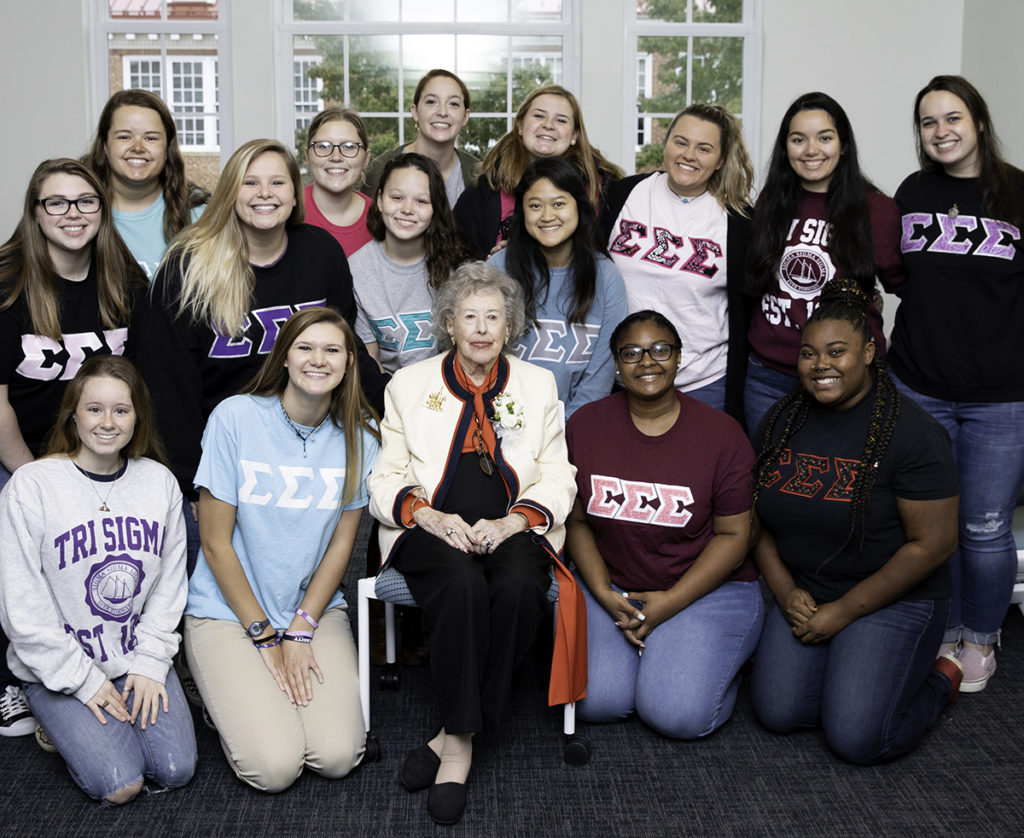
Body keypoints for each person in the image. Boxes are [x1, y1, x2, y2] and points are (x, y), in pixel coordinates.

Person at [367, 261, 584, 825]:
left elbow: (559, 476)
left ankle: (447, 733)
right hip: (431, 528)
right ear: (449, 323)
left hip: (511, 526)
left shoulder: (537, 385)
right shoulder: (408, 385)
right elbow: (383, 479)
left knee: (517, 585)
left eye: (494, 317)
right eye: (470, 317)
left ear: (509, 327)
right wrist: (434, 517)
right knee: (461, 583)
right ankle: (463, 744)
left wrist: (515, 523)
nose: (483, 328)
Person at [133, 139, 386, 569]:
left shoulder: (320, 253)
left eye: (277, 182)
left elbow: (349, 352)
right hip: (221, 453)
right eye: (250, 182)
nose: (264, 193)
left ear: (294, 194)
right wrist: (195, 483)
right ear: (230, 191)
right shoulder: (187, 265)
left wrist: (396, 413)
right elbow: (165, 388)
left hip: (309, 440)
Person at [748, 279, 962, 765]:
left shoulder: (912, 433)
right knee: (779, 712)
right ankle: (853, 673)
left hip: (893, 596)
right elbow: (755, 517)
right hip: (806, 589)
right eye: (808, 353)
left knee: (858, 738)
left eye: (837, 351)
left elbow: (933, 544)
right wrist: (783, 591)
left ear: (868, 351)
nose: (820, 365)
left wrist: (842, 613)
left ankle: (938, 680)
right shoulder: (782, 420)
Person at [184, 307, 379, 793]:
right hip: (228, 612)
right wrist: (266, 637)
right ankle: (212, 685)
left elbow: (341, 546)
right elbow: (214, 541)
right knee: (275, 768)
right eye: (305, 348)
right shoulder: (236, 417)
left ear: (350, 362)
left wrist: (301, 629)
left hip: (309, 611)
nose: (319, 360)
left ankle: (261, 695)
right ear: (284, 358)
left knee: (336, 756)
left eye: (332, 350)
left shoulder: (361, 438)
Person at [0, 355, 195, 802]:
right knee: (120, 785)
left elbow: (169, 589)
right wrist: (84, 681)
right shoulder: (32, 485)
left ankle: (97, 722)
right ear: (73, 414)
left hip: (133, 657)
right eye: (94, 409)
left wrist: (150, 663)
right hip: (60, 664)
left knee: (175, 769)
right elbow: (21, 608)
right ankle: (52, 715)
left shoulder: (160, 483)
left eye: (121, 410)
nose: (107, 422)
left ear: (137, 416)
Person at [886, 75, 1024, 691]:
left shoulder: (1018, 191)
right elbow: (898, 277)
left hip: (1002, 396)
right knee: (930, 523)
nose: (940, 132)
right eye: (928, 122)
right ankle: (942, 627)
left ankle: (980, 638)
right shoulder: (912, 191)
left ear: (978, 123)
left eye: (952, 119)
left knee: (985, 526)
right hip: (919, 385)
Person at [564, 310, 761, 738]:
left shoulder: (722, 435)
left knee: (676, 715)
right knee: (594, 701)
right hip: (615, 585)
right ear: (616, 364)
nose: (647, 361)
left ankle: (706, 661)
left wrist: (668, 604)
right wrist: (599, 589)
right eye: (631, 353)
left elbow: (734, 536)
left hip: (703, 588)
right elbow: (576, 523)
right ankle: (657, 654)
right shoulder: (585, 426)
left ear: (678, 357)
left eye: (660, 350)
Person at [0, 159, 146, 735]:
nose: (72, 214)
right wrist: (39, 478)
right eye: (56, 203)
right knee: (17, 547)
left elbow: (141, 382)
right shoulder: (8, 284)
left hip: (103, 447)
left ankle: (123, 655)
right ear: (35, 214)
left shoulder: (124, 279)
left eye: (85, 201)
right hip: (21, 450)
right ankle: (11, 681)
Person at [744, 92, 905, 432]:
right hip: (769, 375)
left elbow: (903, 283)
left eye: (825, 138)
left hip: (846, 377)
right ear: (785, 147)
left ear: (843, 145)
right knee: (769, 480)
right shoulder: (769, 203)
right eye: (798, 139)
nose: (811, 150)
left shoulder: (877, 210)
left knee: (842, 482)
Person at [602, 104, 754, 421]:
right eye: (681, 142)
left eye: (704, 148)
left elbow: (748, 310)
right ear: (666, 143)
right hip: (620, 378)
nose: (689, 155)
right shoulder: (624, 194)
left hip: (702, 384)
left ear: (721, 159)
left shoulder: (739, 222)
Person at [490, 156, 626, 417]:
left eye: (559, 204)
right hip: (500, 422)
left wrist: (565, 430)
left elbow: (600, 375)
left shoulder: (606, 276)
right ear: (522, 212)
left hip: (578, 425)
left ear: (579, 207)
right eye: (535, 205)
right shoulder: (498, 269)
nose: (547, 216)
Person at [454, 84, 623, 259]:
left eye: (561, 120)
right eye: (539, 115)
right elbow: (457, 259)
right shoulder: (486, 187)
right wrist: (492, 266)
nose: (548, 125)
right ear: (520, 125)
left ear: (574, 136)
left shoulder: (604, 190)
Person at [350, 152, 474, 374]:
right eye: (396, 198)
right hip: (386, 394)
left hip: (449, 390)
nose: (407, 209)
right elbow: (370, 360)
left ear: (435, 207)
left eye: (421, 201)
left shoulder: (456, 266)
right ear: (379, 200)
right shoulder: (356, 269)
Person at [84, 89, 207, 280]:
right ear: (105, 146)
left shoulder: (201, 213)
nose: (138, 148)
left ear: (168, 149)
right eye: (124, 137)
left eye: (151, 138)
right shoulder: (76, 213)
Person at [363, 69, 479, 209]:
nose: (442, 112)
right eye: (431, 102)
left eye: (453, 104)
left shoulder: (481, 175)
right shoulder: (379, 170)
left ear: (465, 116)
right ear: (415, 112)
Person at [302, 107, 375, 256]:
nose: (336, 157)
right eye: (323, 146)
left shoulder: (381, 217)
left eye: (349, 147)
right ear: (307, 156)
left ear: (366, 159)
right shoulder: (288, 211)